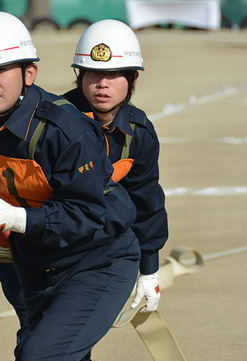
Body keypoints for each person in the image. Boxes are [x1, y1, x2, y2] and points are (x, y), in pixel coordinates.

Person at [0, 11, 140, 361]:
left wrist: (17, 218)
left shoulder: (65, 130)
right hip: (35, 262)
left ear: (29, 72)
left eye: (1, 69)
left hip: (98, 261)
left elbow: (92, 215)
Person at [64, 19, 168, 312]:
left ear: (133, 79)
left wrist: (149, 270)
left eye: (113, 74)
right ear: (79, 75)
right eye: (93, 73)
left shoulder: (139, 134)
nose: (102, 84)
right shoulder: (55, 123)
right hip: (49, 247)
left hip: (104, 248)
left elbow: (146, 201)